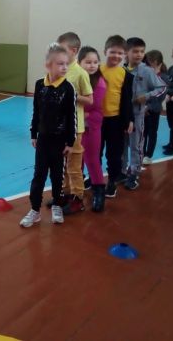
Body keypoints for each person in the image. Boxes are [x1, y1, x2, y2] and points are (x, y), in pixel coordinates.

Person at [20, 43, 76, 228]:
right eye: (60, 64)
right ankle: (35, 210)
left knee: (57, 176)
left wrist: (70, 141)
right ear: (48, 65)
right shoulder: (39, 85)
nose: (64, 67)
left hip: (60, 141)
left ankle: (57, 206)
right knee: (39, 175)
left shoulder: (68, 88)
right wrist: (33, 133)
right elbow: (36, 112)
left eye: (66, 63)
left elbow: (72, 116)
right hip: (43, 140)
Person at [122, 38, 167, 190]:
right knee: (122, 145)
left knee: (136, 145)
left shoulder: (147, 71)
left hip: (137, 115)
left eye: (142, 51)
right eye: (135, 51)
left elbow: (162, 87)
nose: (139, 54)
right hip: (122, 116)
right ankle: (122, 171)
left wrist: (146, 96)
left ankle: (134, 172)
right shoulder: (121, 70)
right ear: (126, 52)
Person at [56, 32, 92, 213]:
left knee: (74, 166)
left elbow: (90, 100)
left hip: (75, 128)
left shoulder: (80, 73)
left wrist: (73, 96)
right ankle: (66, 194)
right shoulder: (59, 69)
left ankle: (78, 199)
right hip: (59, 126)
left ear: (74, 50)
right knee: (61, 164)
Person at [99, 35, 134, 198]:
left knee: (114, 154)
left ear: (125, 55)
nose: (116, 56)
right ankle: (96, 178)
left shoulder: (126, 75)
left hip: (116, 120)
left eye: (120, 53)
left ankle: (112, 180)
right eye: (113, 52)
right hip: (97, 120)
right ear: (105, 51)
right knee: (95, 152)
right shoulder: (96, 71)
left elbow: (127, 100)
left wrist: (129, 120)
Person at [78, 47, 108, 212]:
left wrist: (78, 110)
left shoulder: (99, 83)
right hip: (76, 125)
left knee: (91, 159)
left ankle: (99, 192)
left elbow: (92, 106)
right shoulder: (76, 78)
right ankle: (73, 193)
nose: (92, 65)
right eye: (88, 62)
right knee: (75, 160)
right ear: (79, 63)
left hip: (91, 125)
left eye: (95, 62)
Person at [143, 50, 168, 164]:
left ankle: (148, 155)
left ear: (158, 63)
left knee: (152, 133)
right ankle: (142, 153)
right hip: (143, 110)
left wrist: (148, 106)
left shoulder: (163, 78)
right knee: (143, 133)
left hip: (153, 110)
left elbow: (159, 96)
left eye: (151, 65)